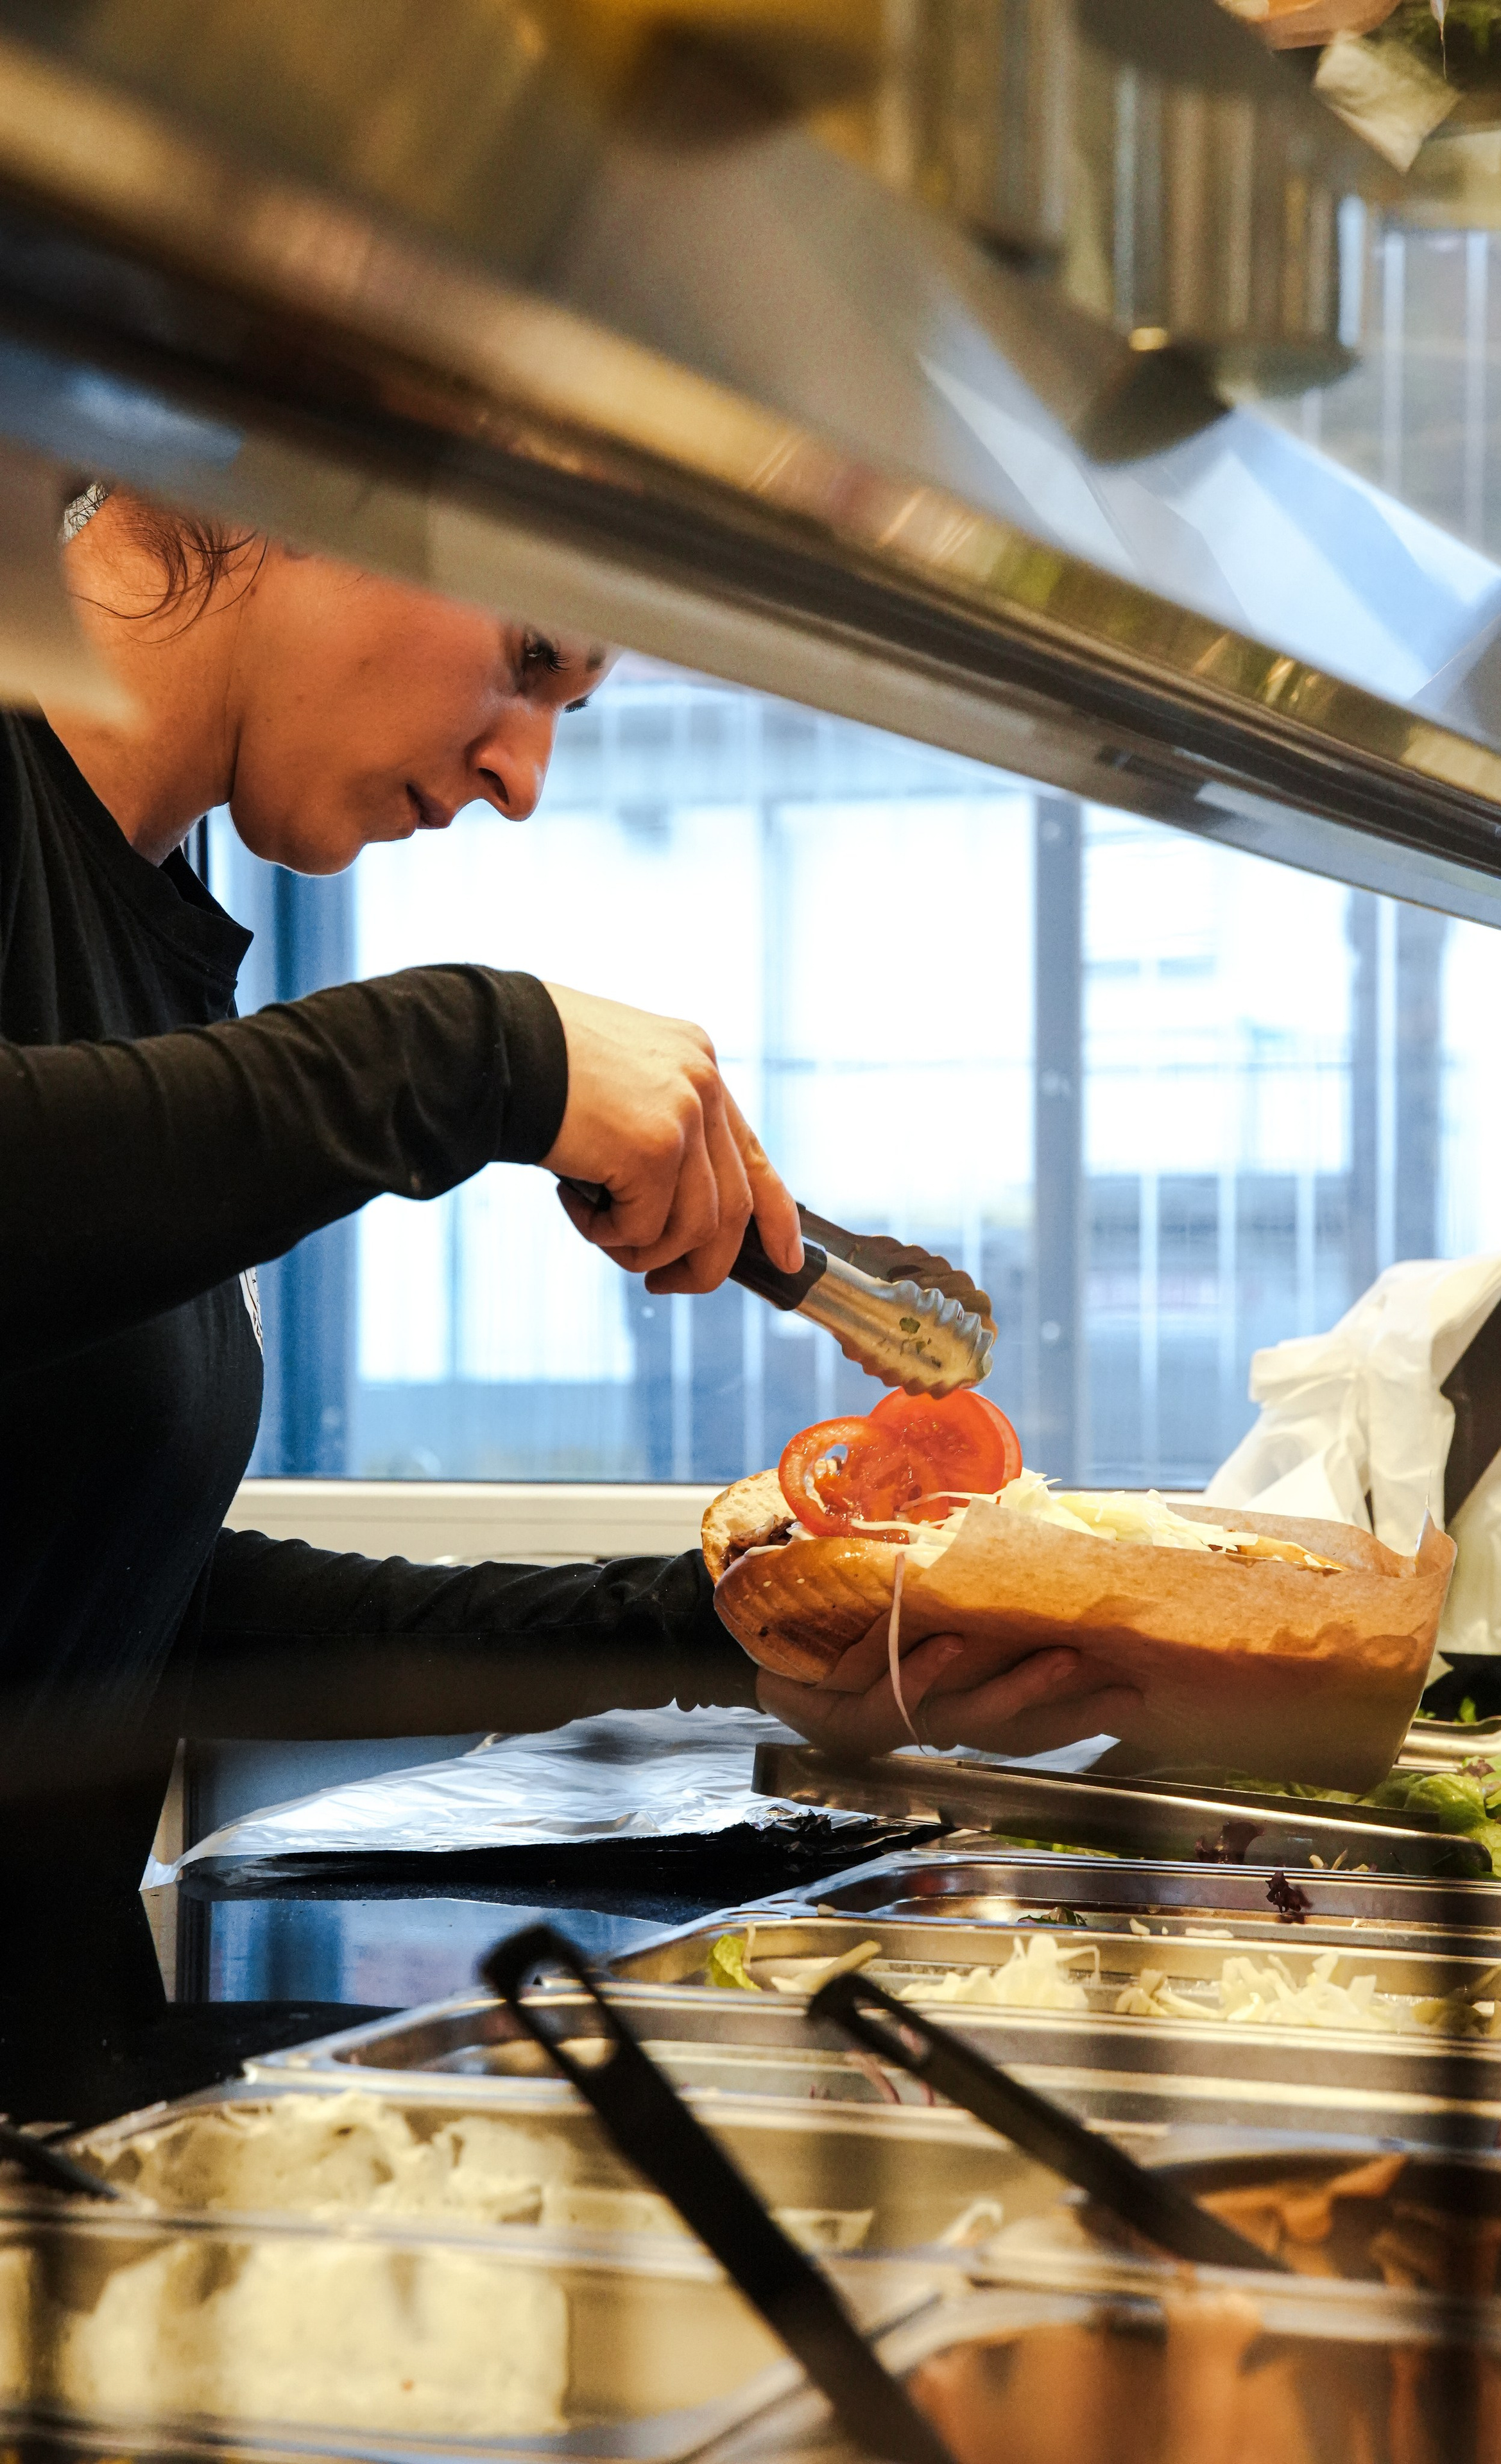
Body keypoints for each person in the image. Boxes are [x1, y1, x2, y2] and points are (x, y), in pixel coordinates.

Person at [0, 486, 1102, 2109]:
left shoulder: (147, 944)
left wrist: (726, 1622)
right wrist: (467, 1055)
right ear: (303, 487)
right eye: (526, 661)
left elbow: (119, 1604)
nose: (521, 777)